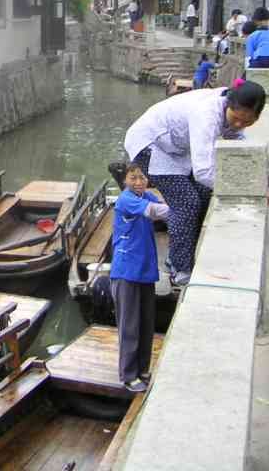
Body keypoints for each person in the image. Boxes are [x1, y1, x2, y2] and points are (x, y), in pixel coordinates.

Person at [124, 81, 266, 286]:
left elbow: (236, 139)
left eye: (247, 122)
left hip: (175, 148)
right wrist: (240, 187)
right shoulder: (206, 114)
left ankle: (184, 251)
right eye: (235, 119)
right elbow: (202, 172)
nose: (239, 125)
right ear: (228, 104)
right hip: (149, 144)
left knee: (202, 194)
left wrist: (258, 172)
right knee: (186, 203)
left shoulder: (229, 111)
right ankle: (179, 268)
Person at [110, 164, 169, 393]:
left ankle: (143, 369)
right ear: (125, 181)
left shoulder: (148, 195)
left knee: (146, 323)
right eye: (133, 178)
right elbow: (155, 212)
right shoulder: (125, 200)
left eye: (142, 177)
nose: (139, 182)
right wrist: (181, 209)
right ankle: (128, 374)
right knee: (130, 326)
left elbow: (160, 206)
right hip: (126, 271)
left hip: (145, 269)